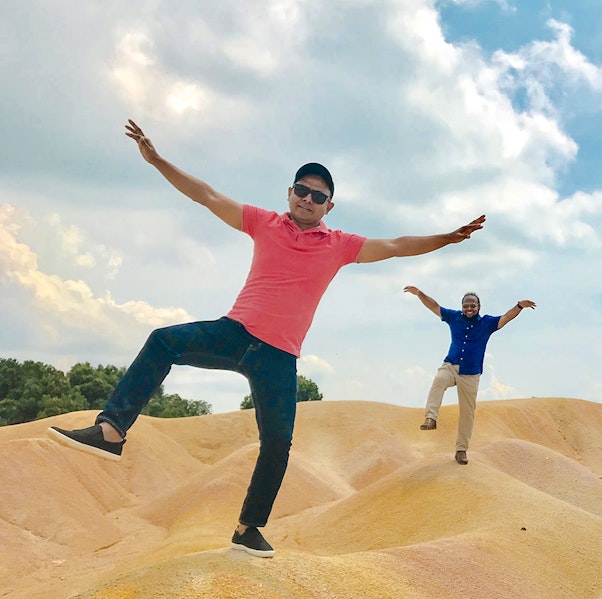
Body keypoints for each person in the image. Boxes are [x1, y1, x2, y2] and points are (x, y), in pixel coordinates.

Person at [47, 119, 486, 558]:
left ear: (329, 206)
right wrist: (158, 160)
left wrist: (447, 238)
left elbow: (395, 245)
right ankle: (111, 431)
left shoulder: (339, 244)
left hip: (279, 356)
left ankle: (248, 528)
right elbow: (208, 196)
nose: (308, 200)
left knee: (278, 443)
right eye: (302, 190)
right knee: (162, 340)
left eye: (318, 196)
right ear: (290, 192)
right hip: (234, 333)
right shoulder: (263, 222)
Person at [403, 286, 535, 464]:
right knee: (439, 380)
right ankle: (431, 418)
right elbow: (434, 306)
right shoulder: (454, 317)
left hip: (470, 374)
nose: (469, 309)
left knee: (467, 413)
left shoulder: (487, 323)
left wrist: (519, 306)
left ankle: (461, 450)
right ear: (462, 306)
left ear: (479, 306)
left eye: (473, 306)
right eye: (466, 306)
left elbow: (505, 318)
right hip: (451, 365)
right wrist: (419, 294)